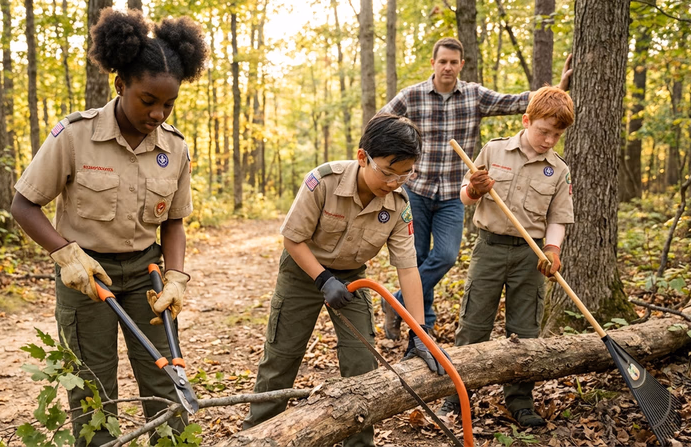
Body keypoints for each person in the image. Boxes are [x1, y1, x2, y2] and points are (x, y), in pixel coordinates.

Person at [10, 9, 208, 445]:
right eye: (147, 100)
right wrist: (66, 254)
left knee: (165, 383)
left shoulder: (174, 148)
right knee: (92, 393)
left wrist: (175, 276)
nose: (158, 113)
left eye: (168, 104)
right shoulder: (74, 136)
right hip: (86, 277)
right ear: (120, 86)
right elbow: (23, 204)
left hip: (147, 278)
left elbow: (174, 221)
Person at [242, 114, 449, 447]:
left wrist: (420, 333)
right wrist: (322, 279)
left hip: (352, 278)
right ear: (362, 156)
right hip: (302, 271)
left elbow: (408, 268)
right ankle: (256, 436)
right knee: (281, 358)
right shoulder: (323, 181)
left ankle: (358, 442)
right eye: (387, 172)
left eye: (405, 173)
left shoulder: (398, 204)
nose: (395, 181)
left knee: (361, 363)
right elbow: (293, 240)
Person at [378, 37, 572, 339]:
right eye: (442, 61)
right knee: (414, 263)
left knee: (444, 256)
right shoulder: (412, 96)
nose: (448, 67)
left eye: (454, 62)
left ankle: (396, 302)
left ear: (461, 65)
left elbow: (519, 103)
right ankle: (421, 336)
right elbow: (381, 121)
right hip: (416, 190)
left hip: (454, 195)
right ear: (433, 63)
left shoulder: (474, 96)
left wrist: (556, 92)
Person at [438, 86, 574, 426]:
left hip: (531, 255)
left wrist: (553, 251)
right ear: (526, 121)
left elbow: (558, 217)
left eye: (556, 135)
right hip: (489, 250)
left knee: (525, 330)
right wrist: (474, 189)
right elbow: (465, 197)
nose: (548, 140)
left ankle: (520, 401)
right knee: (473, 324)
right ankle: (457, 396)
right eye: (544, 131)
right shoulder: (495, 150)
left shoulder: (558, 170)